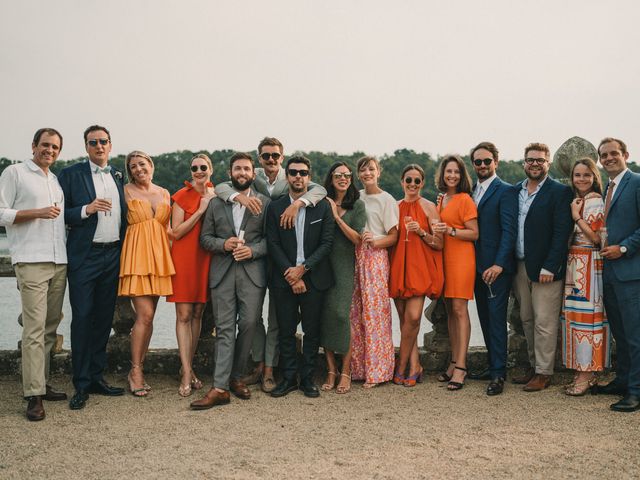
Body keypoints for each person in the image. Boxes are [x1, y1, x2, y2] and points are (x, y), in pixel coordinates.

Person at [216, 137, 326, 393]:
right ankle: (259, 363)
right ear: (259, 157)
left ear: (282, 156)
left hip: (280, 256)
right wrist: (239, 198)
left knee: (278, 318)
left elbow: (320, 190)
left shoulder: (292, 176)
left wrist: (298, 203)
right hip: (252, 255)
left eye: (275, 156)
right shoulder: (251, 175)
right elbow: (220, 187)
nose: (271, 161)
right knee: (253, 318)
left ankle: (269, 371)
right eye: (266, 156)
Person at [191, 153, 270, 409]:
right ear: (230, 173)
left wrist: (253, 250)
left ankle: (236, 377)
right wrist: (224, 244)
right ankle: (220, 387)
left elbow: (272, 242)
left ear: (253, 174)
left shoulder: (266, 204)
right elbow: (205, 239)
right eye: (238, 169)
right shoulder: (216, 203)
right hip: (223, 272)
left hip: (252, 273)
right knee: (224, 329)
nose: (242, 173)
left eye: (247, 169)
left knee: (248, 324)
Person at [0, 128, 68, 421]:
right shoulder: (15, 173)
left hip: (59, 261)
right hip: (30, 260)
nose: (49, 151)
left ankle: (43, 382)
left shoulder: (54, 179)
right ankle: (33, 395)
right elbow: (1, 212)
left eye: (54, 147)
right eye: (45, 145)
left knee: (51, 327)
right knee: (33, 330)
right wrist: (36, 212)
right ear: (33, 146)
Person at [58, 125, 127, 410]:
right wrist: (87, 209)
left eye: (103, 142)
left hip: (113, 256)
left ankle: (97, 377)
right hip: (85, 257)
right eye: (93, 142)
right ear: (86, 146)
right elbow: (60, 212)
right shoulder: (70, 174)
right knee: (83, 318)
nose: (99, 146)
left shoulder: (117, 175)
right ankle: (81, 382)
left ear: (110, 145)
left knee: (102, 318)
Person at [265, 156, 334, 398]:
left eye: (303, 173)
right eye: (293, 172)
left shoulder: (322, 206)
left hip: (314, 278)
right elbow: (272, 243)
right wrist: (291, 275)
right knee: (285, 330)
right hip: (284, 279)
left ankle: (307, 379)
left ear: (309, 177)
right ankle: (288, 378)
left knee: (312, 331)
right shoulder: (275, 208)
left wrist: (303, 270)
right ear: (287, 176)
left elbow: (326, 244)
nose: (298, 176)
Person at [511, 143, 573, 392]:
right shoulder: (515, 191)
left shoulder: (560, 192)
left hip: (546, 269)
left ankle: (544, 372)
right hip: (520, 265)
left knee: (544, 322)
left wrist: (551, 266)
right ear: (524, 163)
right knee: (526, 318)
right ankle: (535, 365)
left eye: (540, 160)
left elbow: (561, 234)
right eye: (530, 159)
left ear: (548, 163)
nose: (534, 163)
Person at [118, 150, 175, 397]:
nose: (138, 169)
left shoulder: (164, 193)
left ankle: (136, 368)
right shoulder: (125, 191)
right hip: (137, 256)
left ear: (151, 165)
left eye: (142, 164)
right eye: (133, 167)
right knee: (145, 314)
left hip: (160, 257)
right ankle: (136, 370)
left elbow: (170, 230)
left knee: (149, 318)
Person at [468, 142, 518, 396]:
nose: (483, 165)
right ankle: (492, 365)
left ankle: (499, 374)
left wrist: (499, 264)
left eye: (487, 161)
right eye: (478, 162)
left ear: (496, 162)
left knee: (497, 320)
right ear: (473, 165)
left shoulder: (506, 191)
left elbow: (509, 232)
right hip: (474, 267)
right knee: (485, 319)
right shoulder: (471, 191)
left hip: (495, 268)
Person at [389, 164, 444, 387]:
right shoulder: (394, 207)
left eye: (417, 181)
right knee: (404, 321)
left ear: (422, 183)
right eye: (408, 180)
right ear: (402, 182)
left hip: (419, 269)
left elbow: (439, 244)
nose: (412, 184)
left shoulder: (430, 207)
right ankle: (416, 365)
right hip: (397, 266)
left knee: (412, 318)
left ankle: (401, 365)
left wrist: (420, 232)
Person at [597, 137, 640, 412]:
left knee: (635, 335)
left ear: (625, 154)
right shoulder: (607, 189)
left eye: (614, 153)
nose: (609, 158)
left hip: (631, 272)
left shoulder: (636, 182)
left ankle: (635, 392)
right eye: (604, 155)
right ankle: (623, 379)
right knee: (621, 334)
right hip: (610, 273)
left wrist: (624, 248)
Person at [167, 154, 215, 397]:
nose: (198, 171)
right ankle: (186, 372)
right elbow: (175, 233)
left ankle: (188, 366)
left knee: (198, 313)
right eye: (194, 167)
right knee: (184, 314)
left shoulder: (216, 194)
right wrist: (199, 211)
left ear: (211, 170)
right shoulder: (180, 196)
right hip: (185, 258)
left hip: (207, 259)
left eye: (203, 167)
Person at [561, 157, 609, 396]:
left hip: (589, 263)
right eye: (577, 175)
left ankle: (587, 374)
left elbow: (598, 239)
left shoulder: (596, 201)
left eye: (586, 175)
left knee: (588, 321)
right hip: (575, 264)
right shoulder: (578, 200)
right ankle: (580, 371)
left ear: (594, 177)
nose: (581, 179)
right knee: (575, 318)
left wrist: (576, 217)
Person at [351, 156, 398, 388]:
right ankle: (358, 368)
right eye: (363, 169)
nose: (367, 173)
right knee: (356, 313)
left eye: (371, 169)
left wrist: (375, 240)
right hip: (355, 257)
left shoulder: (387, 199)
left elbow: (393, 236)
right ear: (358, 174)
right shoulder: (355, 197)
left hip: (376, 258)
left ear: (378, 171)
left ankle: (378, 371)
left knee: (375, 313)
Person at [320, 162, 366, 394]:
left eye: (347, 175)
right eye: (338, 175)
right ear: (331, 178)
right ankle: (330, 369)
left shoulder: (357, 205)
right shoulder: (321, 201)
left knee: (341, 314)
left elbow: (357, 239)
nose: (343, 179)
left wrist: (337, 217)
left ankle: (346, 370)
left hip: (345, 265)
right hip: (321, 265)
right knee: (324, 315)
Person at [433, 155, 479, 391]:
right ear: (442, 174)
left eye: (456, 172)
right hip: (444, 259)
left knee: (460, 310)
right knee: (450, 310)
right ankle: (453, 361)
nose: (452, 175)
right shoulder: (441, 199)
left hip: (462, 259)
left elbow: (474, 233)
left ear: (462, 175)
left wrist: (450, 230)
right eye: (448, 171)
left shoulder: (465, 200)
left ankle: (461, 366)